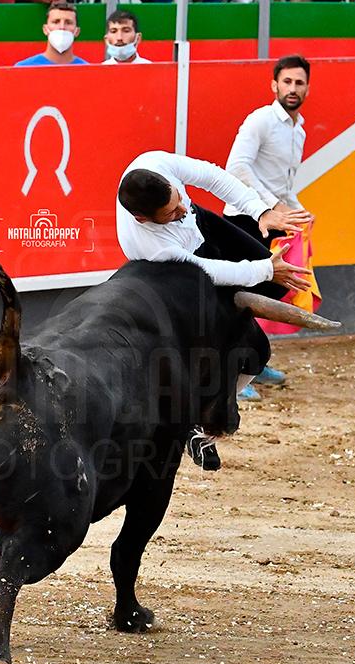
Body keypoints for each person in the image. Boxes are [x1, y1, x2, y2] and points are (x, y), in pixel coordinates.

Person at [117, 150, 312, 470]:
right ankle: (196, 419)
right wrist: (262, 269)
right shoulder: (148, 247)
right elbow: (207, 271)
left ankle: (209, 401)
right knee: (256, 349)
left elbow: (212, 175)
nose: (181, 208)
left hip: (204, 227)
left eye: (178, 197)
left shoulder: (154, 164)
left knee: (277, 286)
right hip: (182, 278)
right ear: (143, 218)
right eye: (170, 212)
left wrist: (259, 211)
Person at [223, 55, 312, 399]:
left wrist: (299, 212)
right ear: (274, 85)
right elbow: (237, 166)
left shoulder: (298, 128)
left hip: (272, 220)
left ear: (307, 87)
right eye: (287, 82)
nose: (292, 88)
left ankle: (252, 364)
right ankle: (231, 374)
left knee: (261, 295)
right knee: (238, 298)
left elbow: (285, 185)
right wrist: (270, 207)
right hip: (245, 220)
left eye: (299, 83)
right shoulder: (260, 120)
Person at [15, 3, 88, 68]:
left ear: (77, 32)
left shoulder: (88, 70)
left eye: (68, 22)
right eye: (56, 22)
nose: (62, 27)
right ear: (45, 29)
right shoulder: (23, 68)